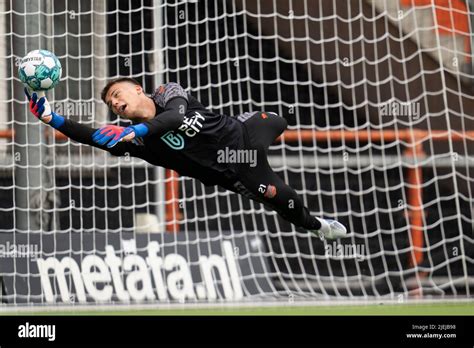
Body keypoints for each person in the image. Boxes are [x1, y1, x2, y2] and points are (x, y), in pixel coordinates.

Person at [24, 78, 347, 239]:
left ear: (138, 89)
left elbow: (176, 118)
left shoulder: (167, 93)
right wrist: (53, 119)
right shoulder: (133, 140)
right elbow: (93, 137)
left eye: (118, 94)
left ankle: (254, 120)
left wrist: (135, 130)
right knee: (286, 202)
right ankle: (320, 227)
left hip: (243, 131)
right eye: (111, 103)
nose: (115, 103)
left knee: (277, 120)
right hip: (237, 169)